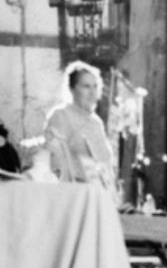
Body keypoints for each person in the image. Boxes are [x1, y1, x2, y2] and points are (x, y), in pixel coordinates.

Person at [43, 61, 117, 193]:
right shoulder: (61, 116)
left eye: (95, 86)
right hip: (73, 194)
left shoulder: (97, 123)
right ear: (72, 89)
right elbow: (53, 163)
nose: (92, 92)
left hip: (98, 195)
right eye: (86, 86)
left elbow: (105, 165)